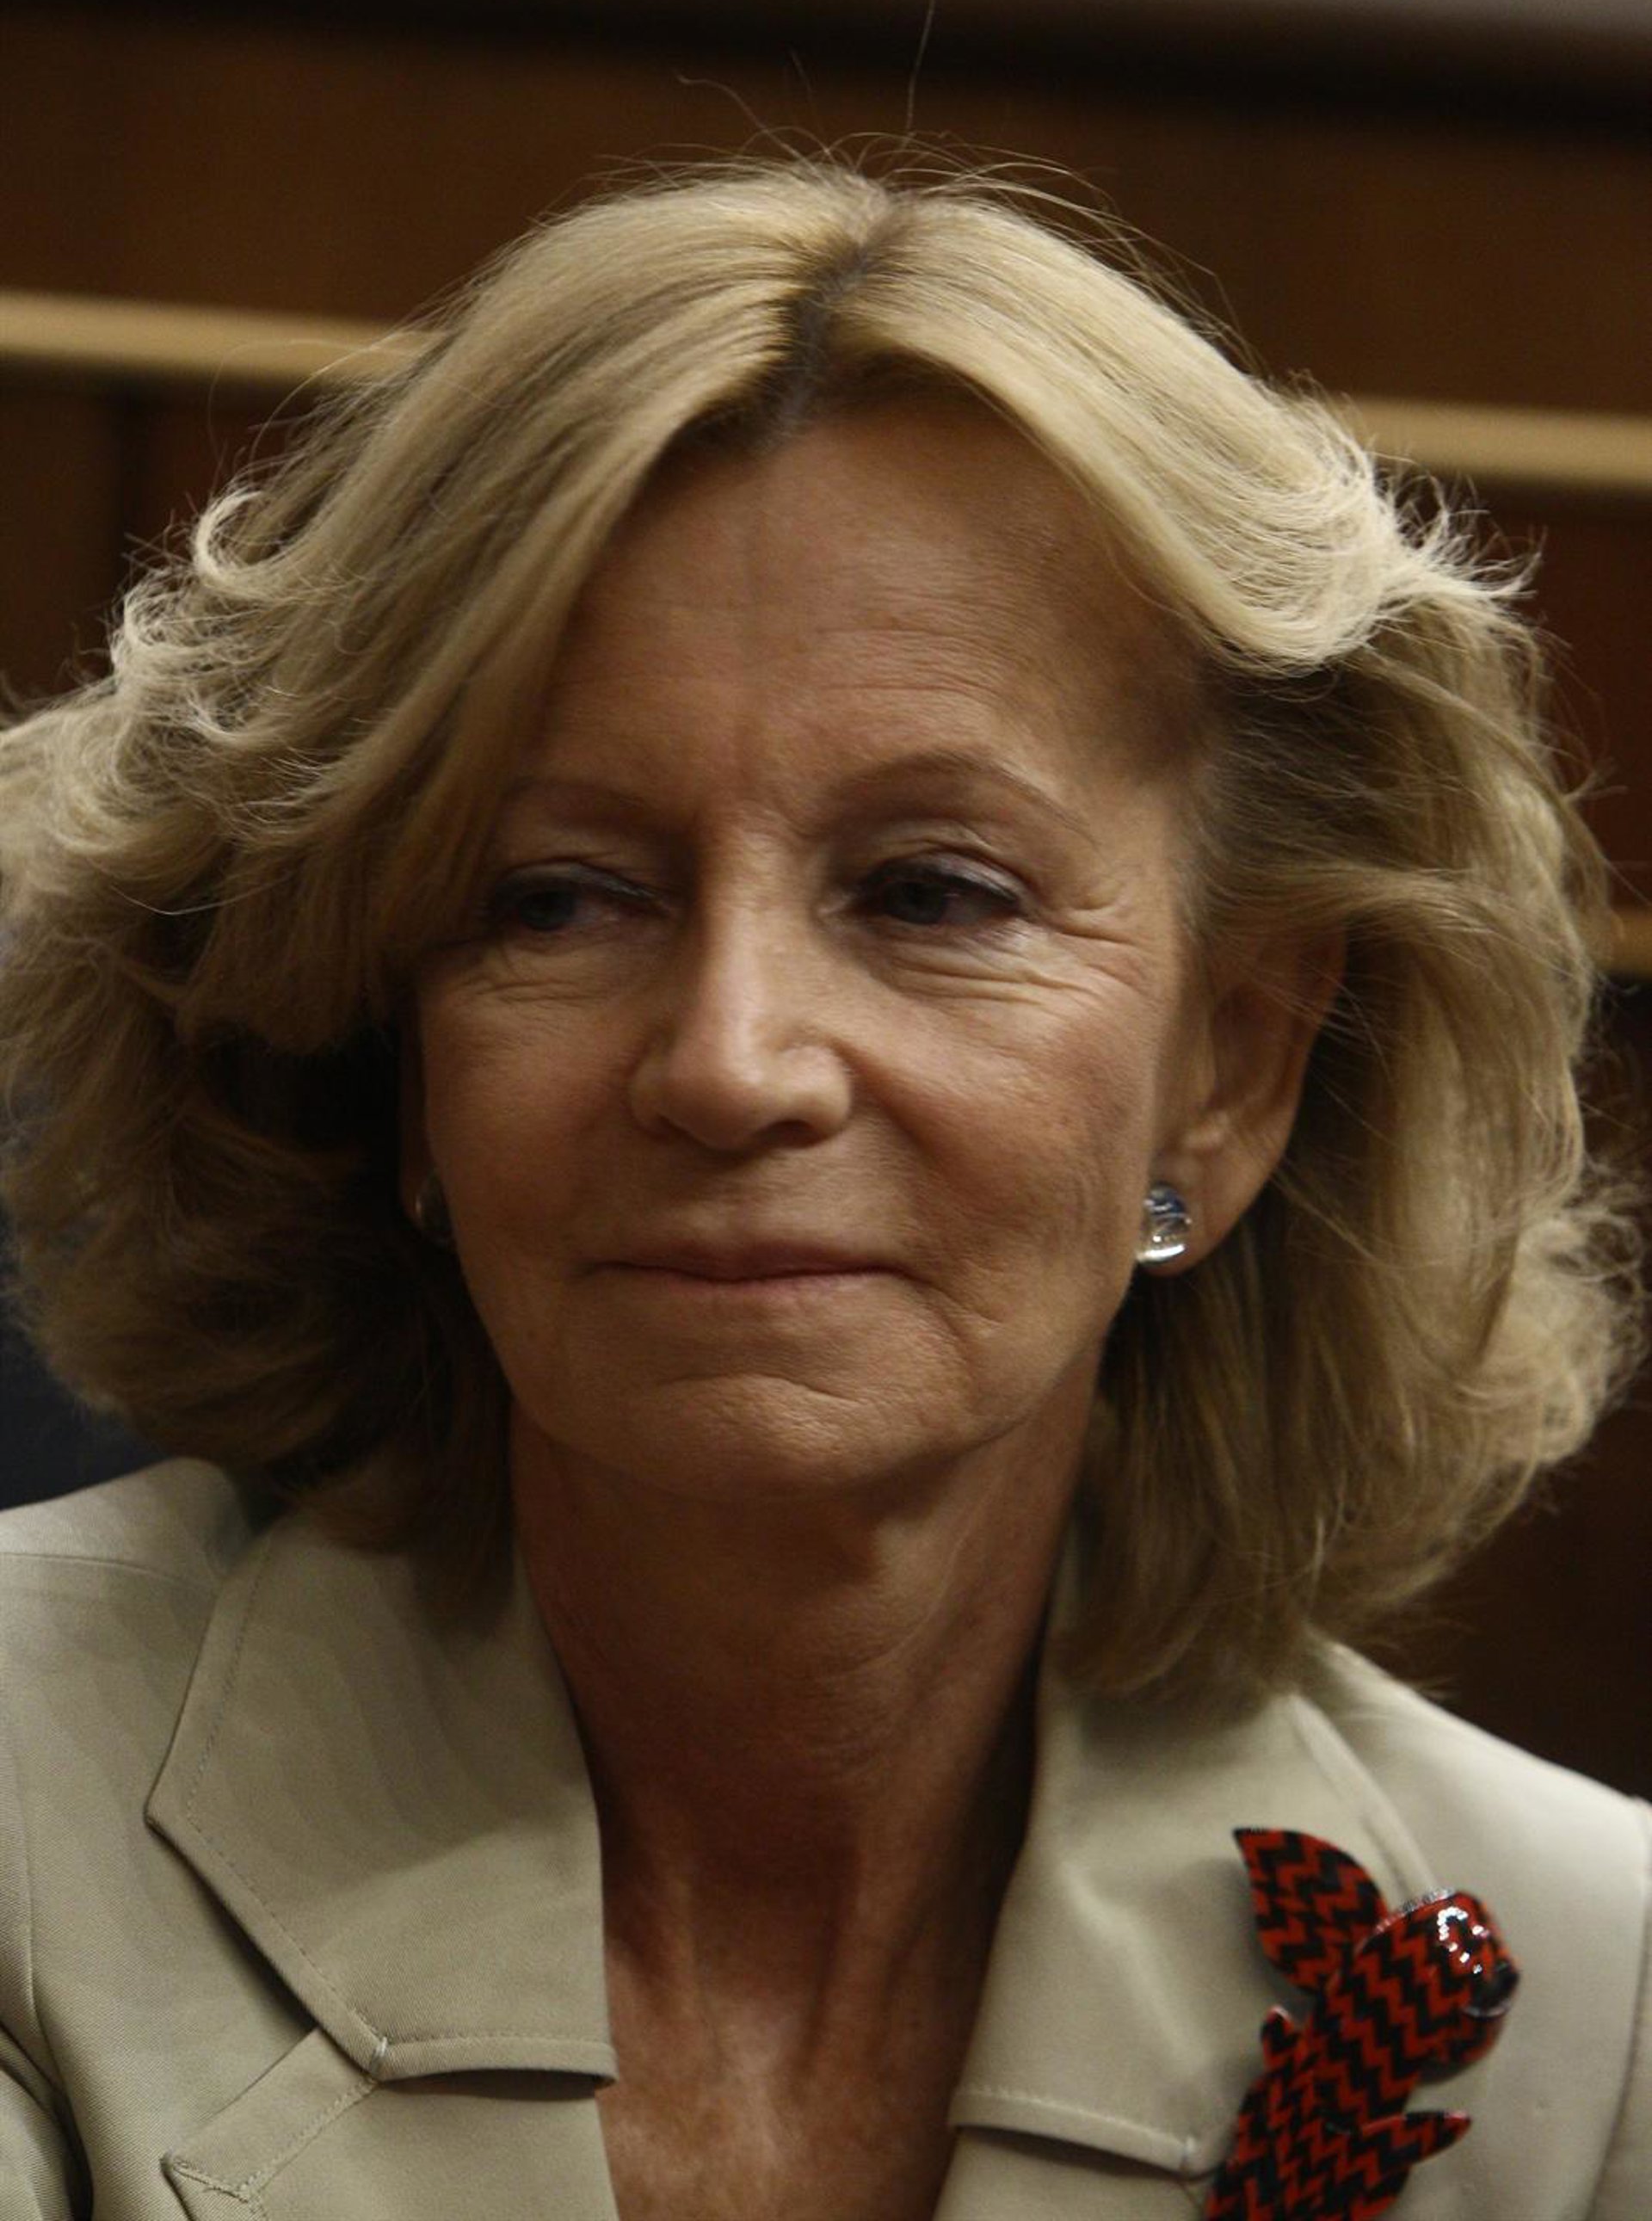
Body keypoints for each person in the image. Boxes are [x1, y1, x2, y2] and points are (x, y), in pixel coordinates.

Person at [0, 153, 1645, 2221]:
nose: (730, 1061)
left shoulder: (1585, 2010)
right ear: (394, 1058)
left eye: (933, 893)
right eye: (557, 897)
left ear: (1228, 1070)